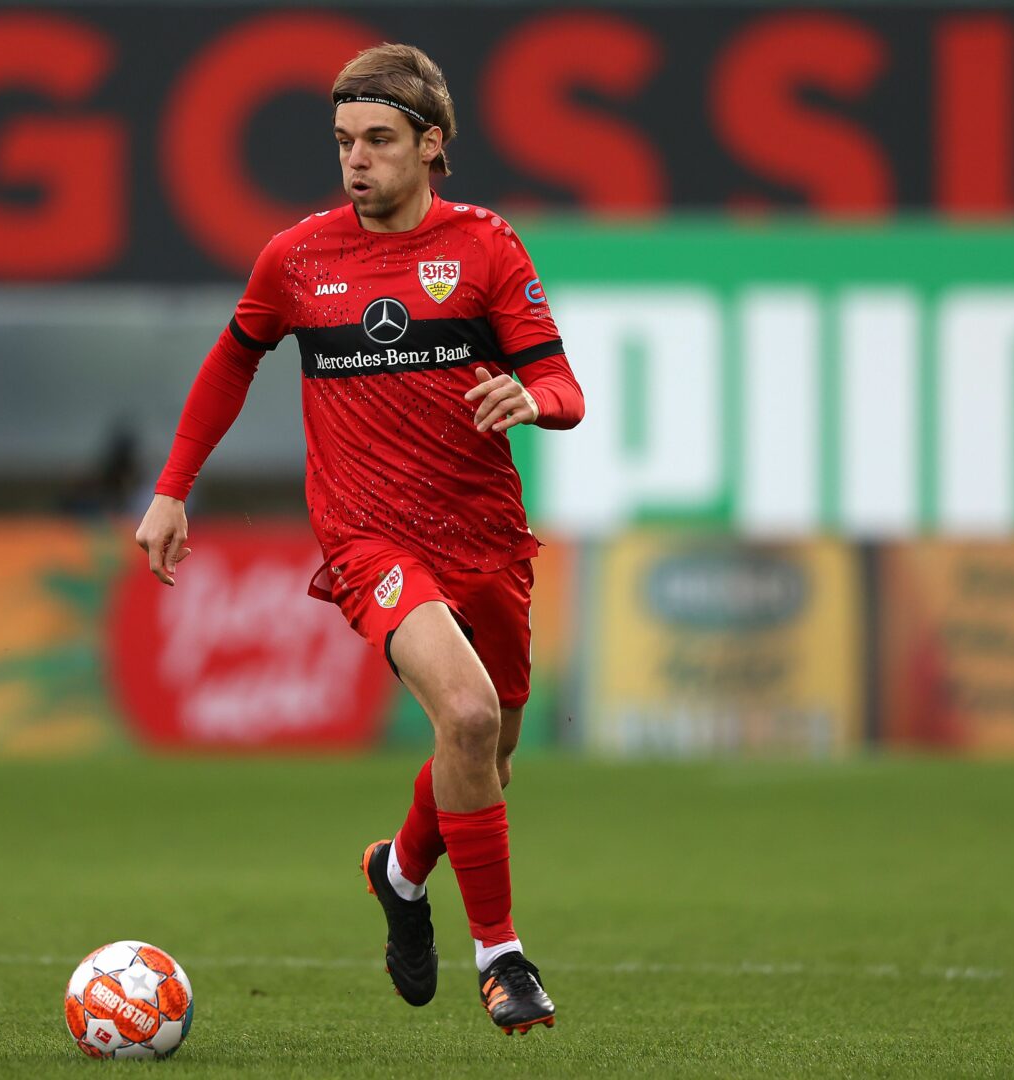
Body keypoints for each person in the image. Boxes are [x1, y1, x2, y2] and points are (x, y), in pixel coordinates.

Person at [135, 42, 584, 1035]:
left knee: (490, 753)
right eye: (344, 141)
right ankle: (501, 956)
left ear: (431, 144)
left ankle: (400, 872)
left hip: (485, 537)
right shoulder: (297, 258)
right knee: (466, 714)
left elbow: (564, 385)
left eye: (378, 139)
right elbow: (232, 360)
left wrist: (533, 399)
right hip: (370, 537)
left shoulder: (487, 249)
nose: (356, 160)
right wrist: (172, 489)